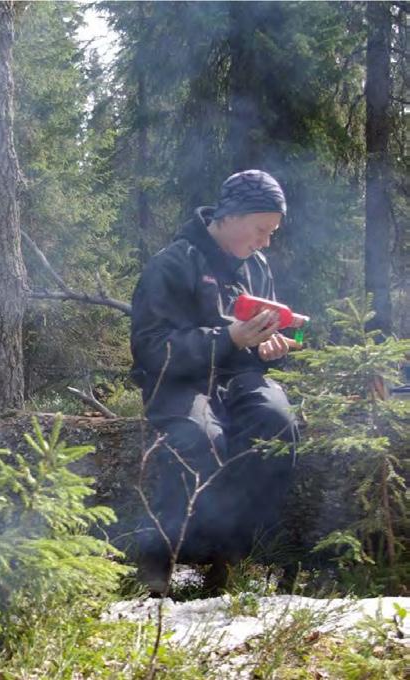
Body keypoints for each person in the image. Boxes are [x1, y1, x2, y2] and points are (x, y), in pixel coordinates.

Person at [129, 169, 299, 594]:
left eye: (271, 232)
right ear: (232, 215)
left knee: (278, 423)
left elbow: (256, 344)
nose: (265, 242)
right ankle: (159, 563)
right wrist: (228, 338)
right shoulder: (173, 263)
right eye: (261, 229)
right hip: (180, 380)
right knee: (199, 437)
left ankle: (233, 558)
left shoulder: (256, 266)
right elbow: (150, 348)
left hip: (240, 376)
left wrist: (267, 349)